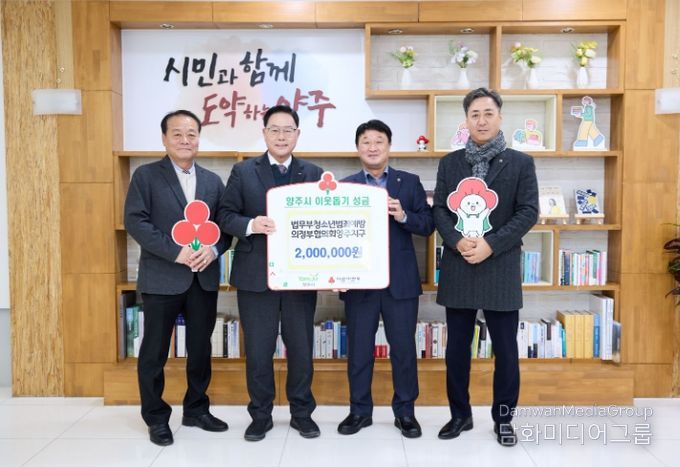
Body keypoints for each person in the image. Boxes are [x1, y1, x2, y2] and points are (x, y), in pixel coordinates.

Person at [433, 88, 538, 447]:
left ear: (500, 117)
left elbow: (528, 212)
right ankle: (459, 415)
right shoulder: (450, 163)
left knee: (505, 352)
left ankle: (504, 420)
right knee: (456, 351)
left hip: (500, 265)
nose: (481, 120)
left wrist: (491, 244)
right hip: (460, 263)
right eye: (474, 114)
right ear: (466, 120)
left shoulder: (521, 163)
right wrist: (456, 240)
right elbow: (440, 210)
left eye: (488, 113)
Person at [124, 109, 232, 446]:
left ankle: (196, 409)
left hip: (203, 278)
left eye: (191, 134)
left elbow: (225, 227)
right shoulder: (146, 176)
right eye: (177, 134)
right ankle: (156, 417)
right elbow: (136, 222)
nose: (185, 140)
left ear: (199, 138)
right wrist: (176, 252)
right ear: (164, 138)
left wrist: (214, 250)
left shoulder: (213, 181)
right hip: (162, 277)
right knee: (154, 351)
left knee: (200, 349)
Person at [217, 105, 323, 441]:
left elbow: (325, 223)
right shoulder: (243, 171)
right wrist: (251, 224)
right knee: (259, 351)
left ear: (297, 135)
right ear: (264, 133)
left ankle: (302, 414)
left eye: (288, 130)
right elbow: (225, 216)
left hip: (300, 277)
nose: (281, 136)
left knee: (301, 349)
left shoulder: (314, 173)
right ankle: (260, 415)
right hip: (255, 277)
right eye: (274, 129)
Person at [337, 120, 434, 438]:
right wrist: (336, 272)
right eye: (366, 141)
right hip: (359, 282)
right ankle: (359, 411)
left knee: (404, 349)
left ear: (389, 146)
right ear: (358, 148)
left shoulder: (409, 182)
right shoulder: (346, 186)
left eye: (379, 141)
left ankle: (405, 413)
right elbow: (335, 234)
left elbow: (427, 224)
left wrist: (403, 215)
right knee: (359, 350)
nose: (372, 147)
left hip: (400, 282)